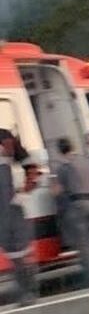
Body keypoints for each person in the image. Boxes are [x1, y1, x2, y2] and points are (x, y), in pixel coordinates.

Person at [53, 137, 89, 288]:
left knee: (84, 245)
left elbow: (59, 190)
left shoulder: (64, 167)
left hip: (77, 205)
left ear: (59, 150)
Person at [0, 129, 37, 306]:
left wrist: (27, 190)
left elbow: (32, 167)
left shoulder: (5, 139)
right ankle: (25, 292)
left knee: (20, 254)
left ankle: (28, 292)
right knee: (13, 255)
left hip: (12, 210)